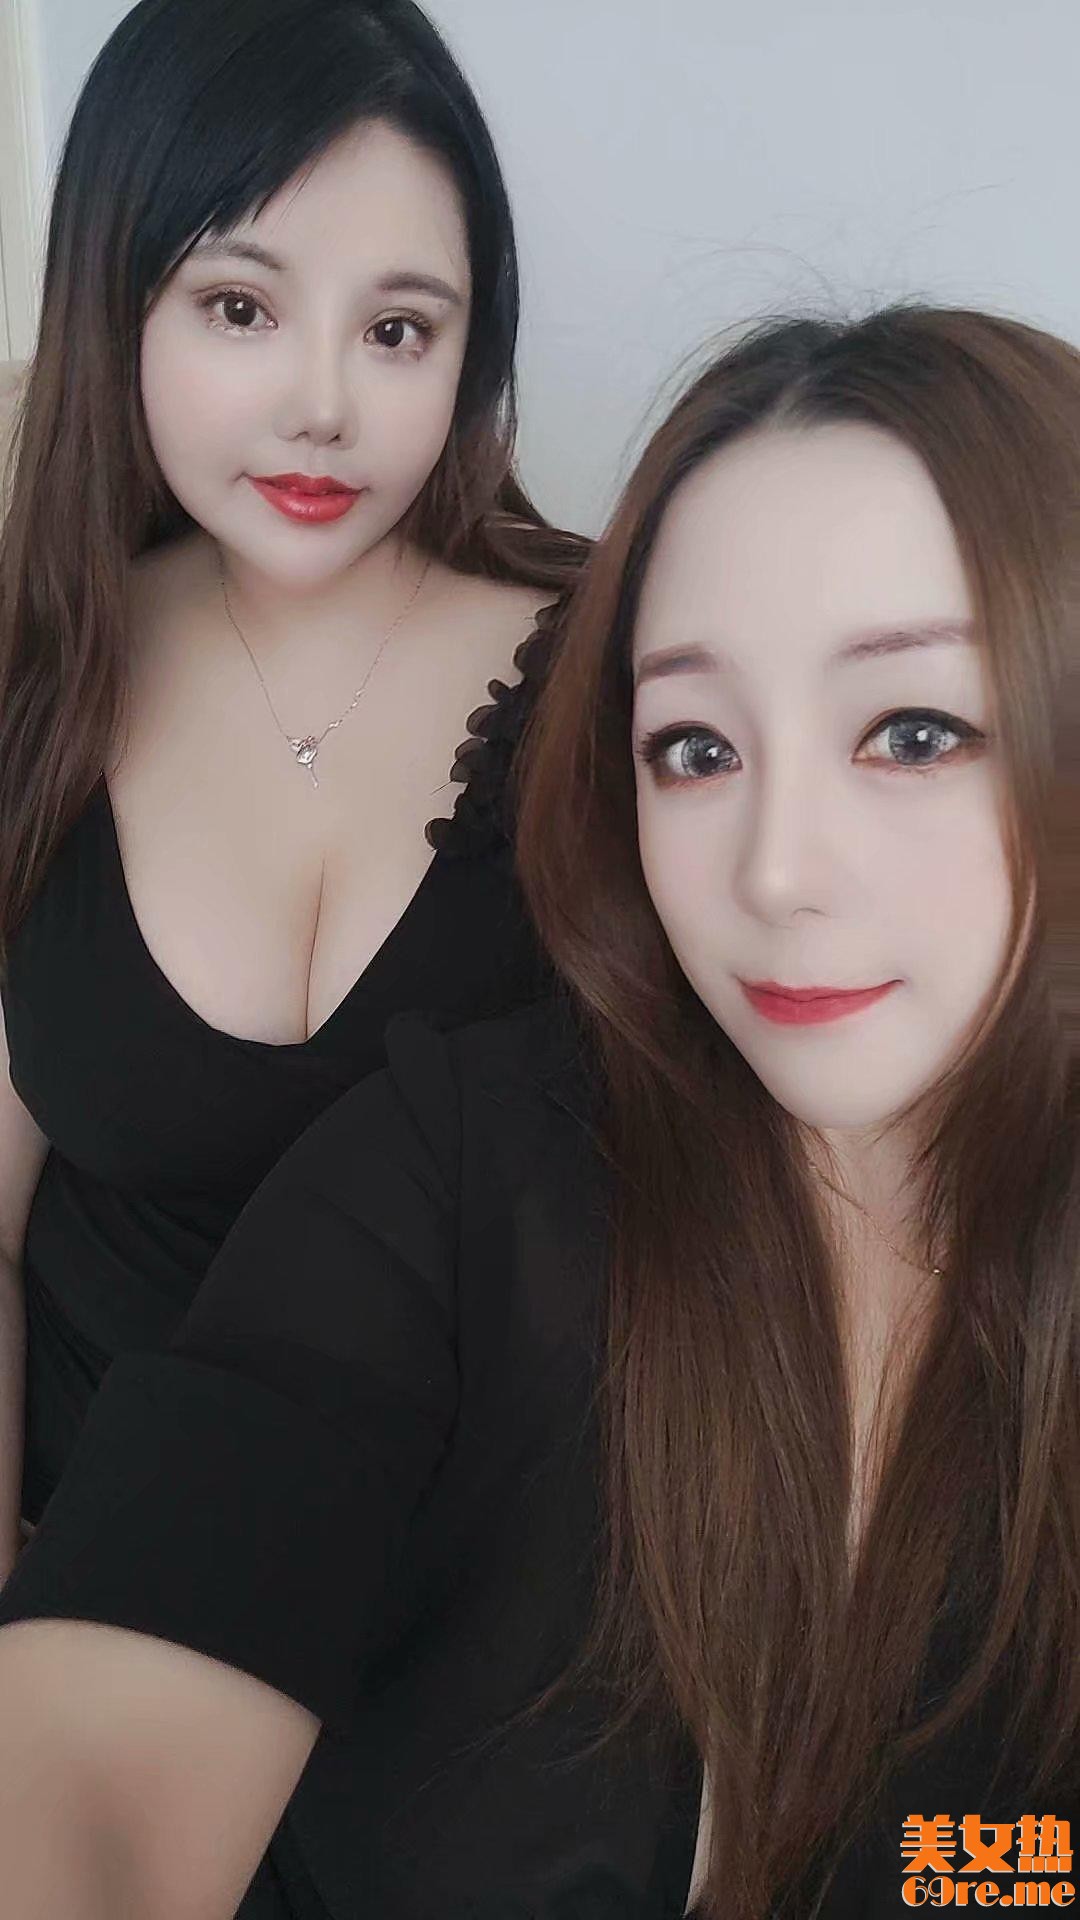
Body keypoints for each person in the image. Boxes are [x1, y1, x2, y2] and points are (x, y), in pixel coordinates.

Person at [0, 304, 1078, 1920]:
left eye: (913, 733)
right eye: (695, 747)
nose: (777, 870)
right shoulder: (450, 1178)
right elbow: (99, 1766)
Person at [0, 0, 586, 1606]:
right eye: (241, 306)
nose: (323, 405)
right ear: (115, 298)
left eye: (398, 331)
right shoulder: (40, 675)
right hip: (91, 1596)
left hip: (488, 1632)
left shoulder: (629, 682)